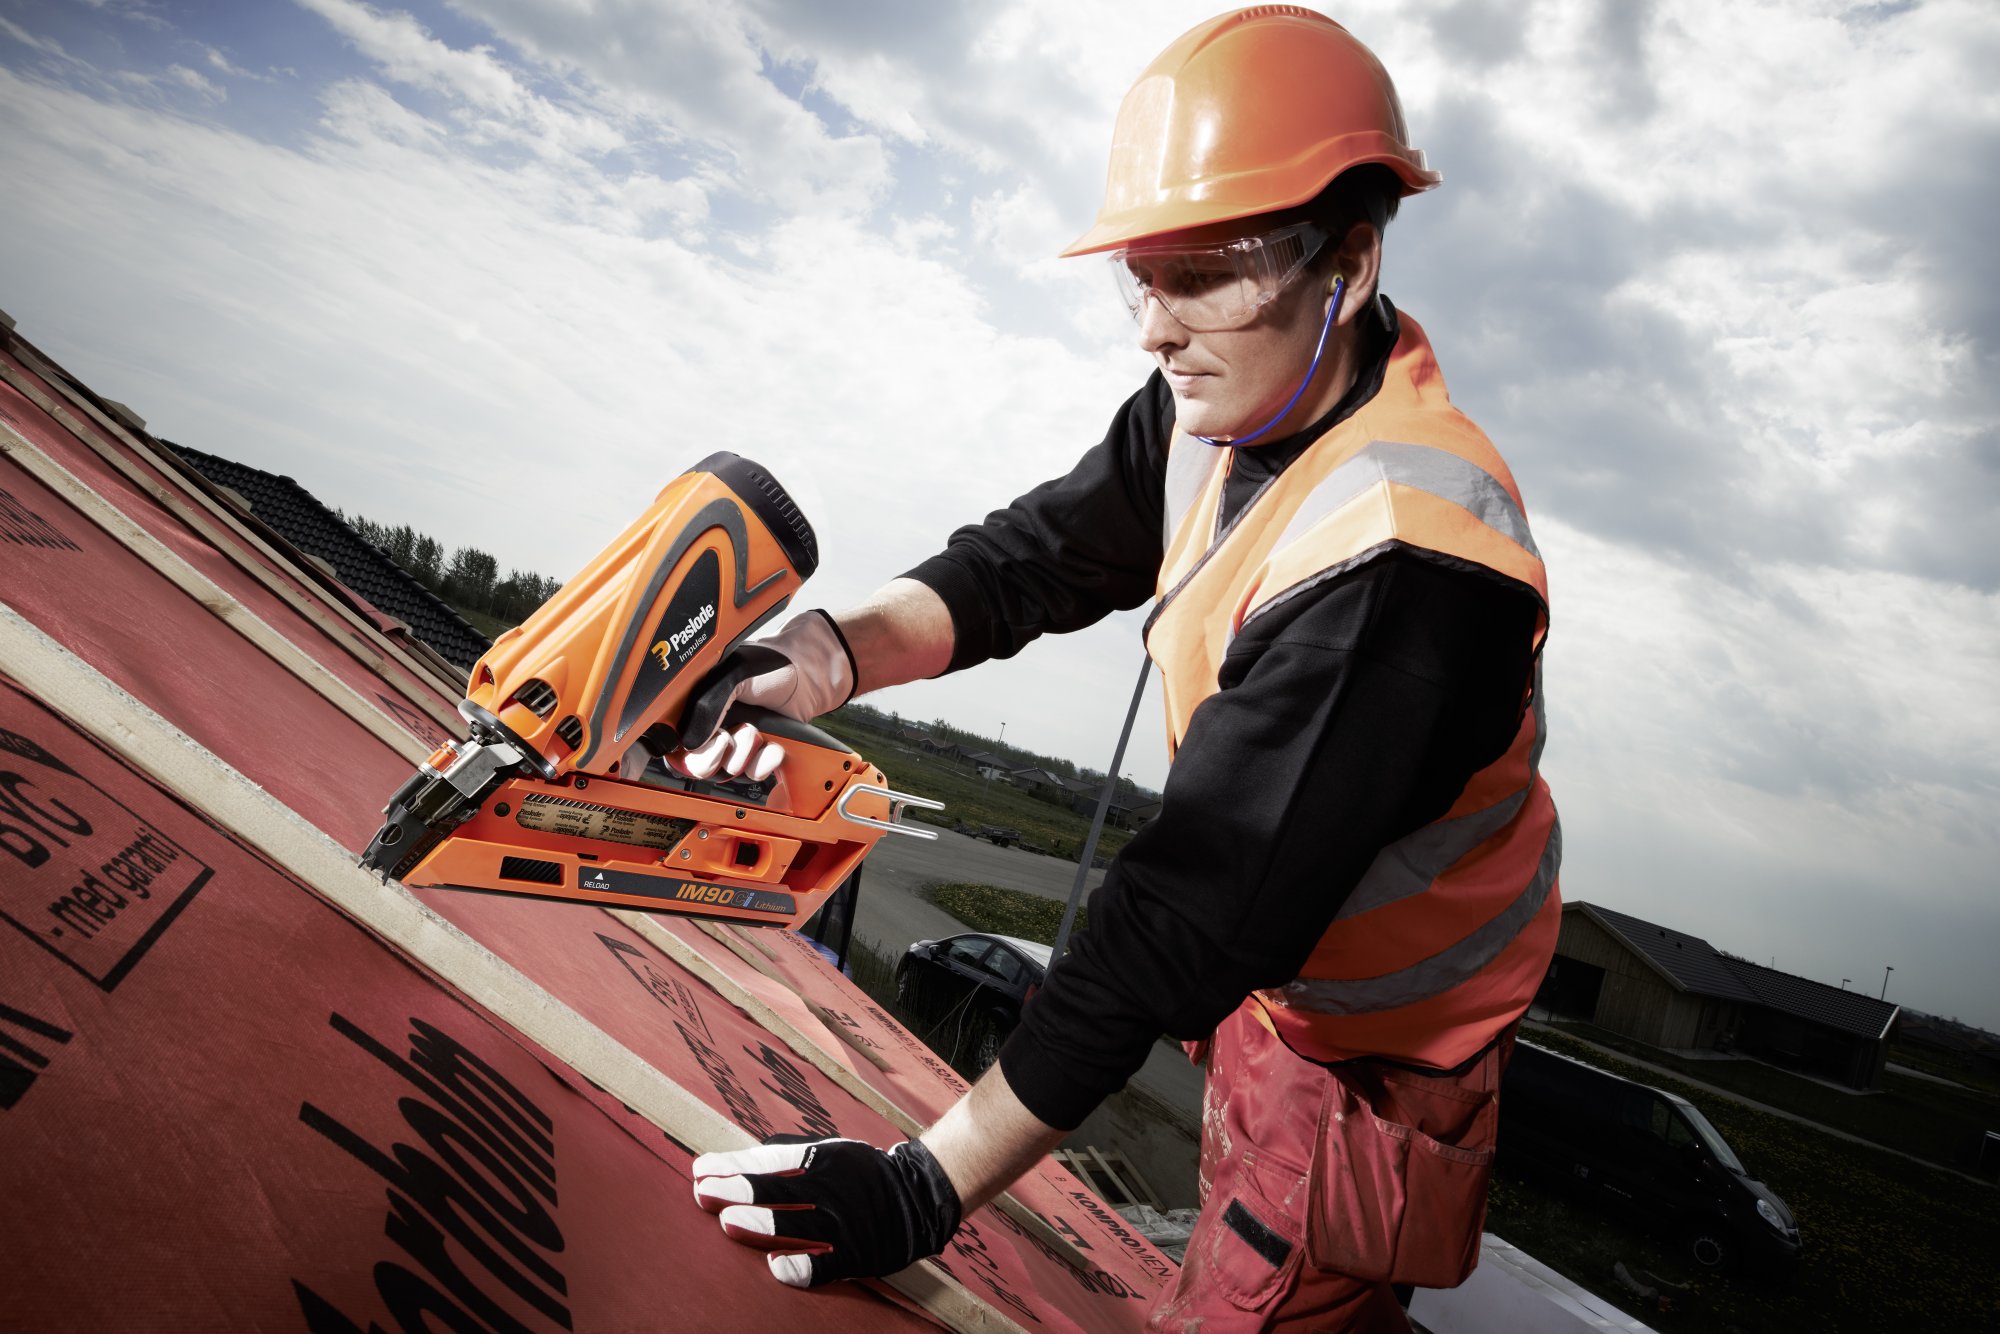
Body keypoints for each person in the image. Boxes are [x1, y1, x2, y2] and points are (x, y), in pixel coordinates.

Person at [684, 10, 1561, 1330]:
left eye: (1202, 274)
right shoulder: (1224, 400)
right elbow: (1028, 561)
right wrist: (826, 654)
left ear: (1355, 260)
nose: (1155, 328)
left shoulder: (1407, 560)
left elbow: (1174, 923)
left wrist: (925, 1187)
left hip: (1376, 1071)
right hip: (1277, 994)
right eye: (1141, 276)